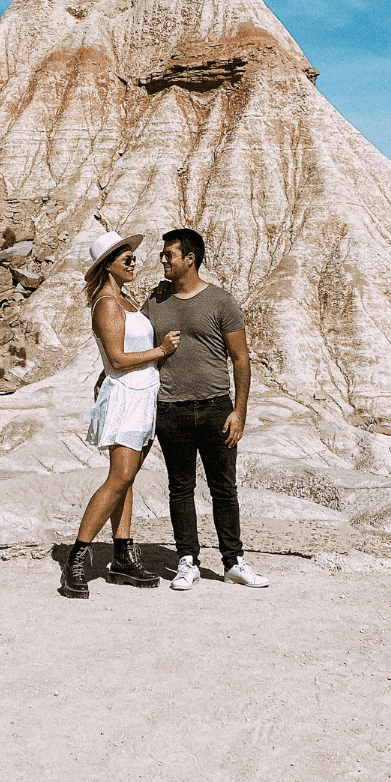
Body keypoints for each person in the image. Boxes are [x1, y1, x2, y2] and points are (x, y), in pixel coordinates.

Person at [142, 228, 269, 590]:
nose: (163, 260)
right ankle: (187, 561)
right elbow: (134, 339)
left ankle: (234, 562)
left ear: (190, 258)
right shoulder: (155, 302)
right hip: (170, 409)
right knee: (180, 488)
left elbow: (241, 359)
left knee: (224, 488)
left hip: (216, 408)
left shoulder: (221, 301)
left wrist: (239, 411)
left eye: (169, 254)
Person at [58, 231, 181, 600]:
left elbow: (118, 353)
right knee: (119, 478)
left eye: (133, 258)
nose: (134, 263)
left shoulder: (124, 299)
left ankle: (122, 557)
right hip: (128, 397)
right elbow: (117, 358)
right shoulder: (107, 304)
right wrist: (161, 351)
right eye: (126, 259)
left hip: (143, 395)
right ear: (107, 265)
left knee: (126, 480)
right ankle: (76, 558)